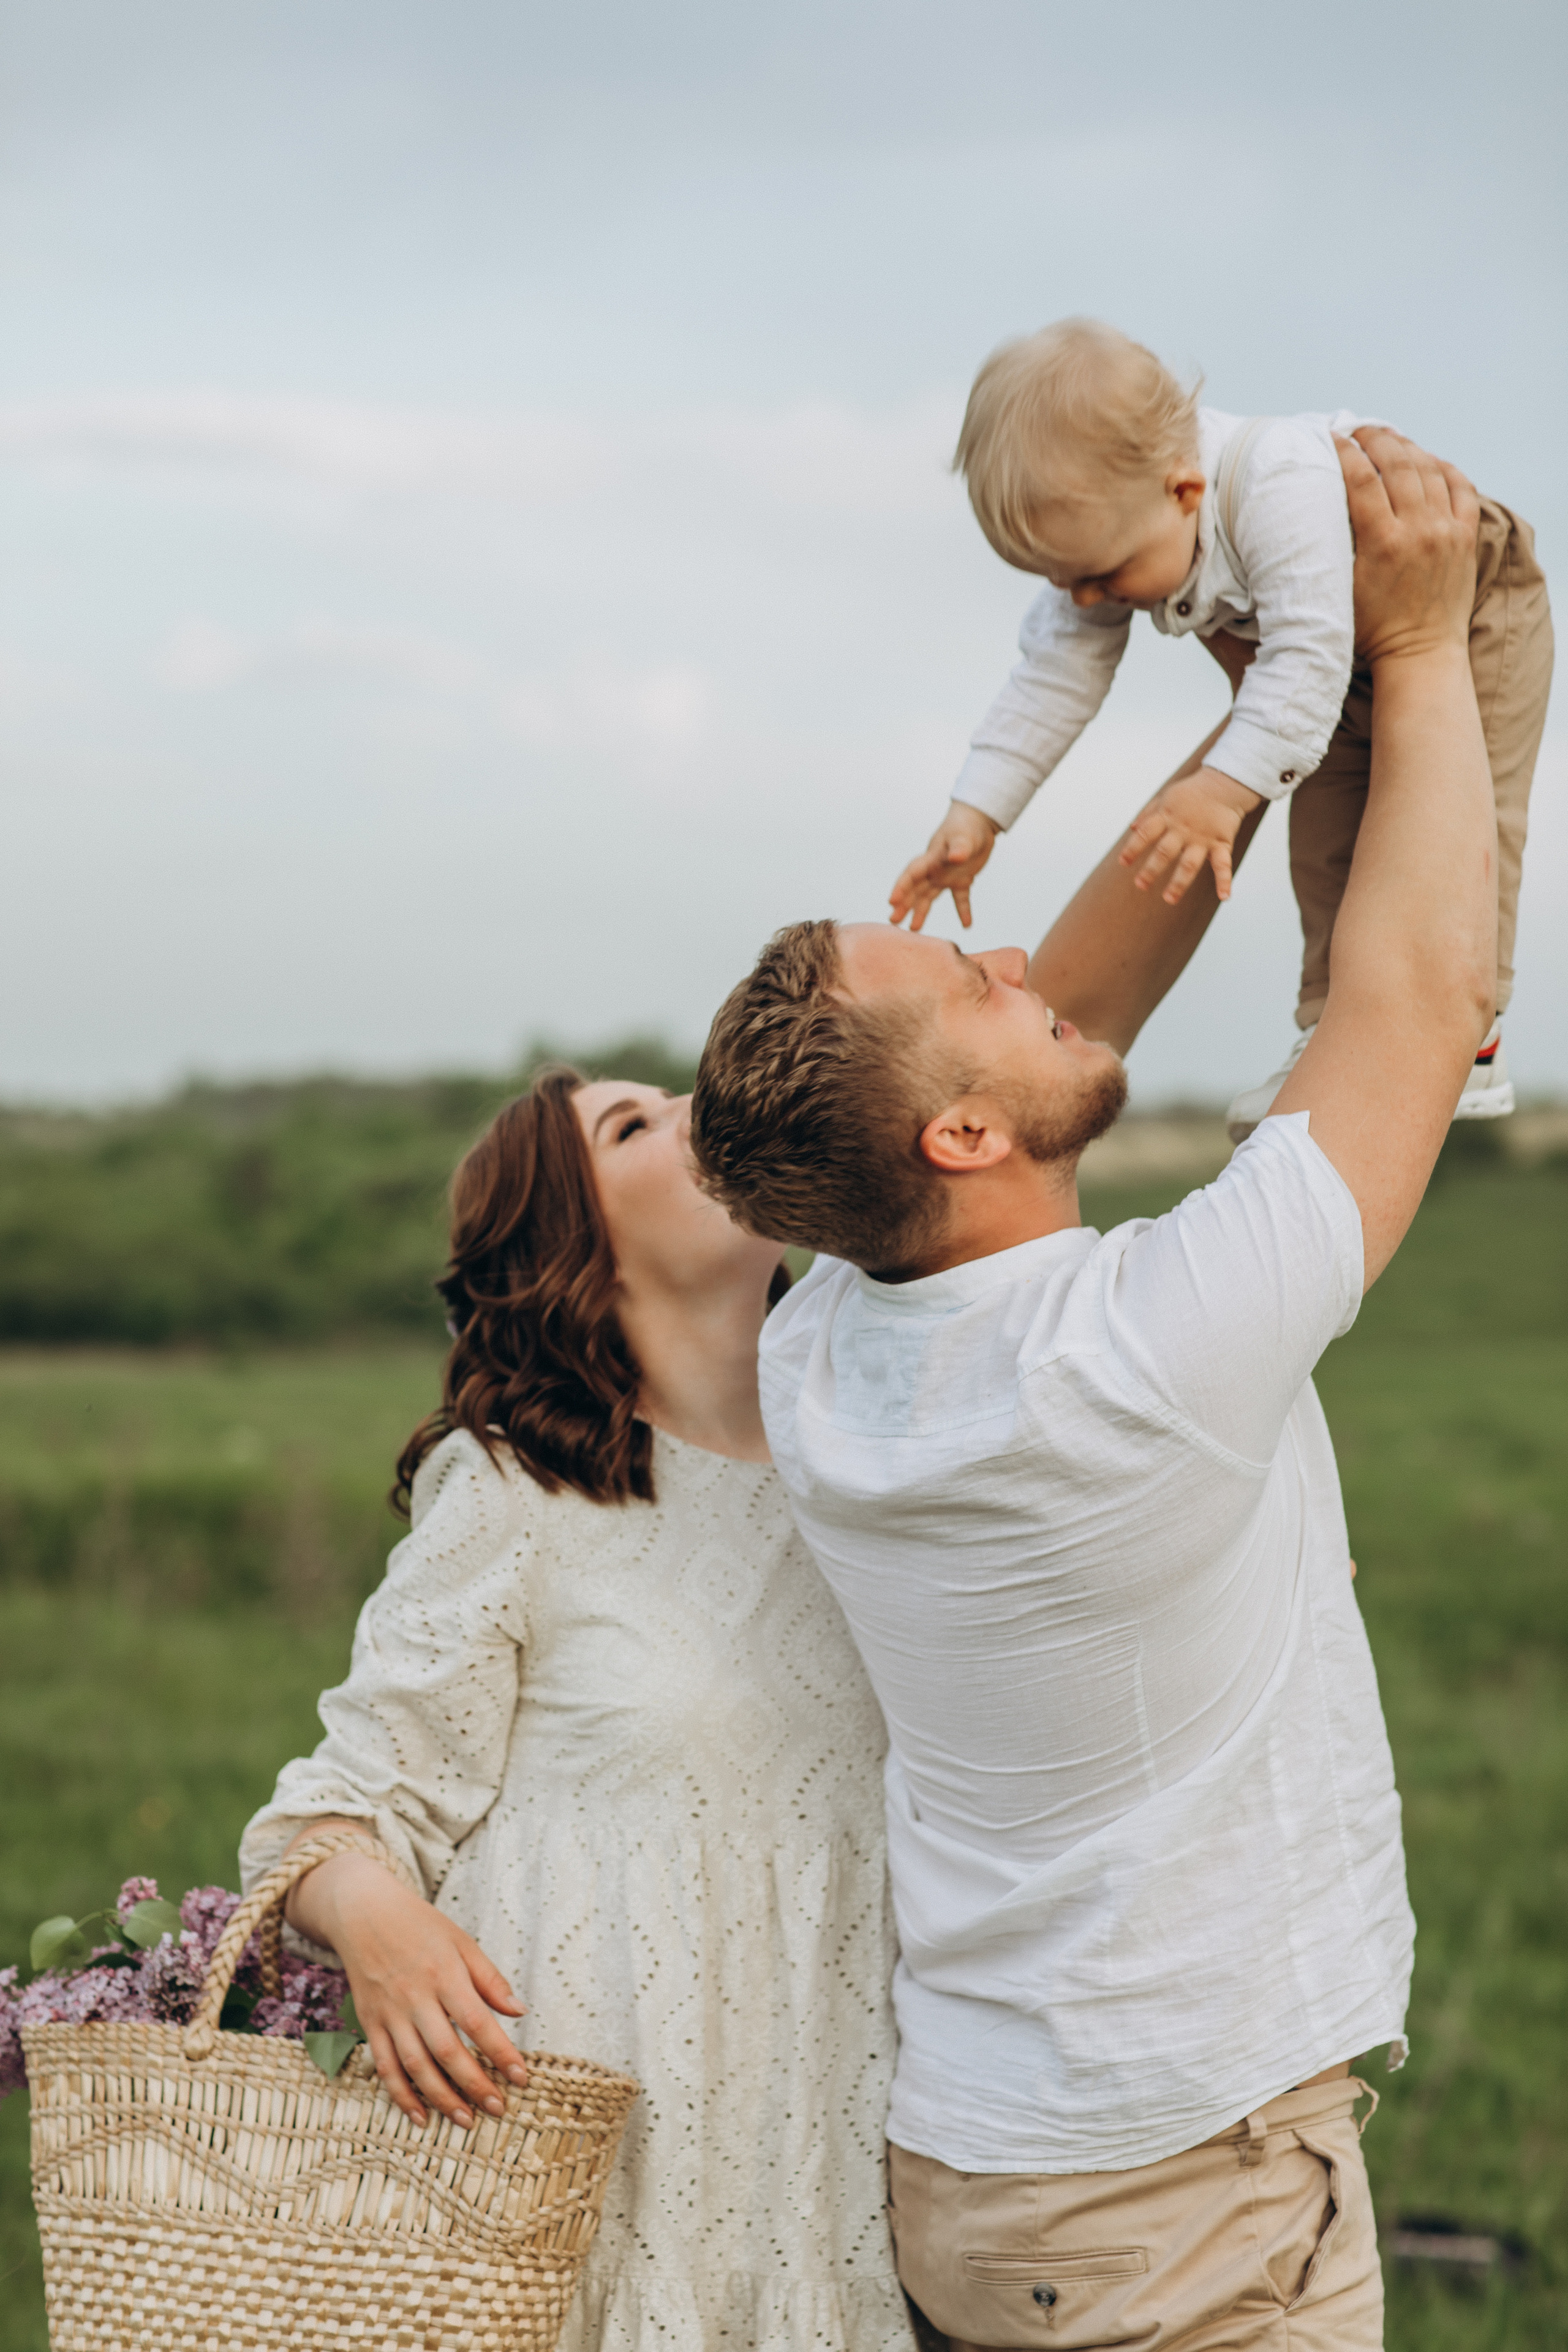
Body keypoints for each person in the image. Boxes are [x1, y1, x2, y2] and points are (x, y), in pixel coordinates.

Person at [689, 429, 1495, 2351]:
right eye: (967, 980)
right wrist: (1419, 650)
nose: (1004, 954)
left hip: (985, 2164)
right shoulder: (1142, 1353)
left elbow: (1066, 1023)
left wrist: (1244, 751)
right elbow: (1421, 998)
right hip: (1180, 2198)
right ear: (965, 1132)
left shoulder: (829, 1349)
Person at [239, 1068, 918, 2351]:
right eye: (633, 1125)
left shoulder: (878, 1460)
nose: (692, 1113)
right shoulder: (513, 1490)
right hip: (580, 2184)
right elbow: (325, 1821)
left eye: (676, 1094)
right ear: (575, 1247)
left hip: (829, 2161)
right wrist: (375, 1920)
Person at [888, 318, 1551, 1136]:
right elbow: (1053, 674)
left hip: (1468, 596)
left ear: (1183, 491)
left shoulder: (1278, 485)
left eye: (1099, 577)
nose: (1087, 600)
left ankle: (1471, 1047)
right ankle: (1331, 1033)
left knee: (1462, 822)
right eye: (1062, 582)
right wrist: (977, 811)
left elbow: (1307, 653)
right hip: (1339, 654)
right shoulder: (1111, 533)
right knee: (1332, 846)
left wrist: (1223, 788)